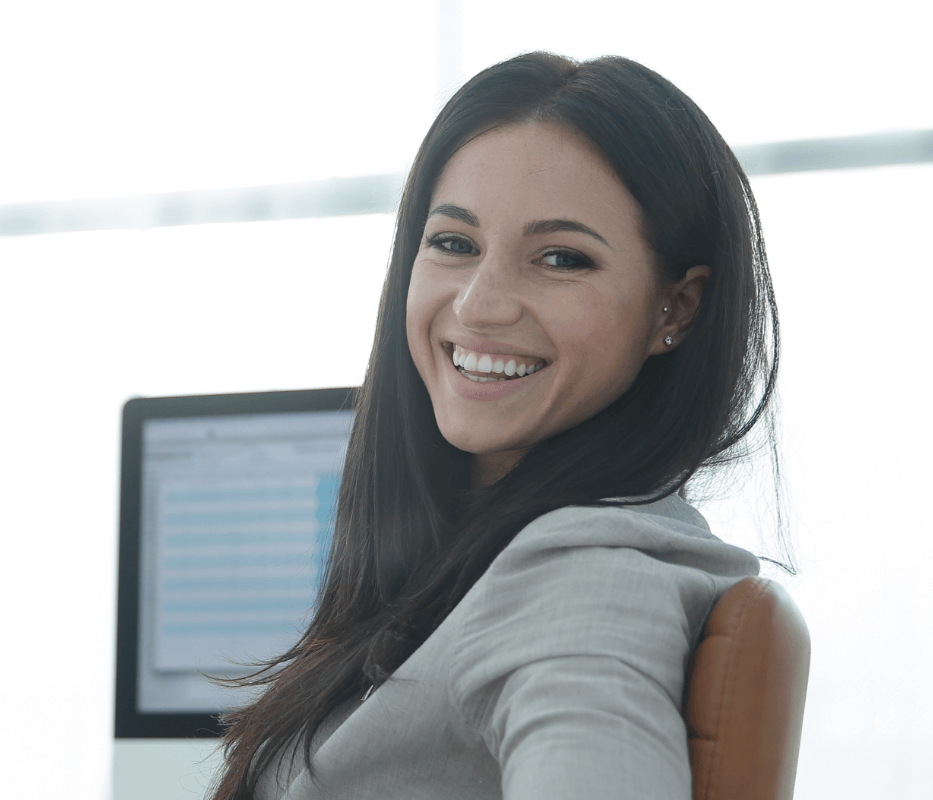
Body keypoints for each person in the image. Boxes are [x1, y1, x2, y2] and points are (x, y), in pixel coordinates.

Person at [208, 51, 783, 799]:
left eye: (560, 257)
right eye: (454, 244)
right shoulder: (479, 551)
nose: (481, 304)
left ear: (674, 308)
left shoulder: (586, 580)